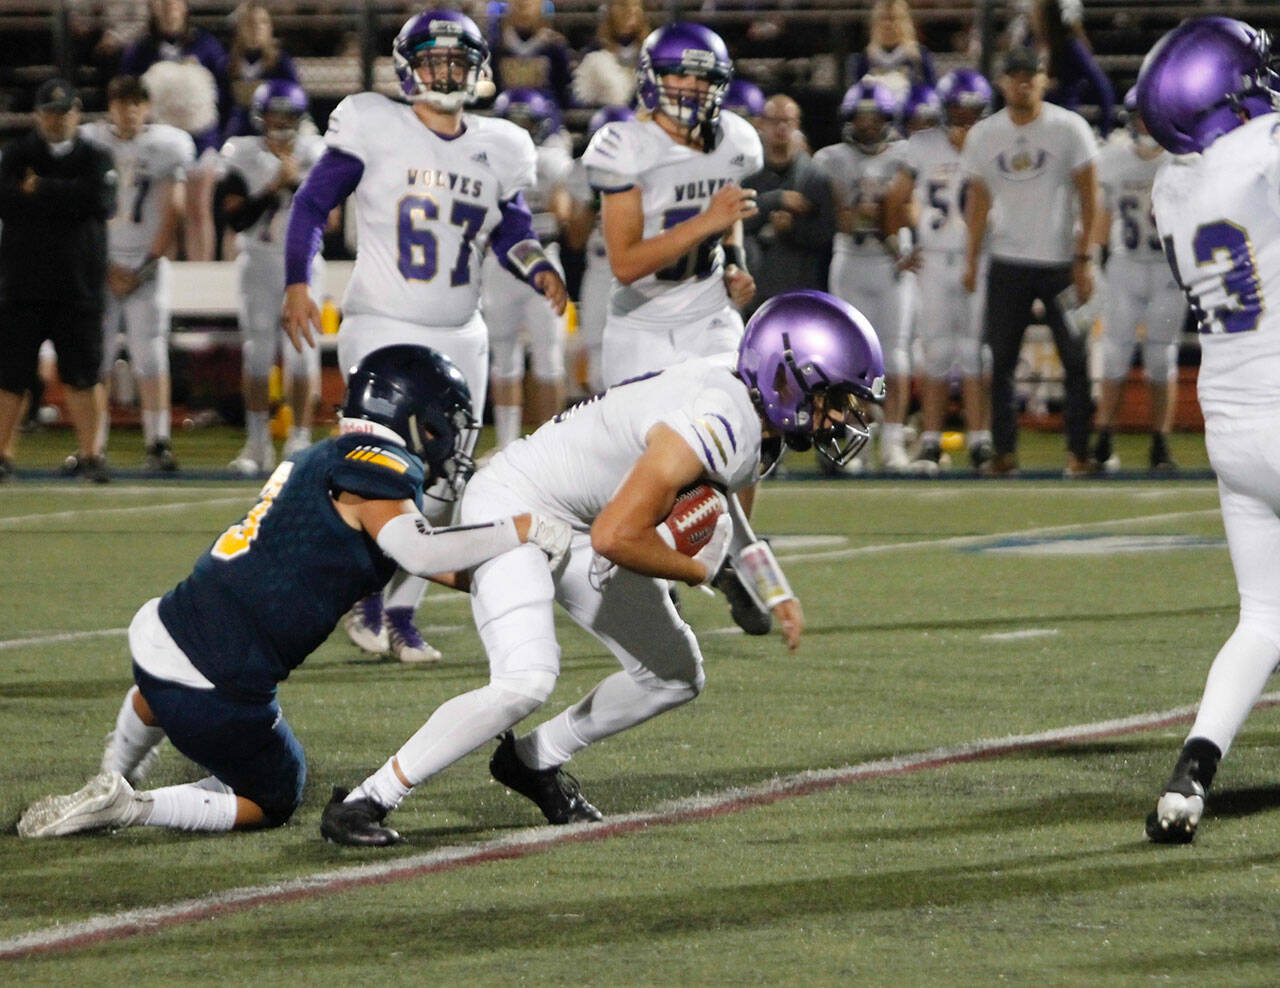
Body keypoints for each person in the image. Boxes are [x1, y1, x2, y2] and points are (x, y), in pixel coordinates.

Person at [320, 290, 883, 846]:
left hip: (587, 519)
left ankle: (532, 761)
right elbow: (619, 537)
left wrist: (771, 587)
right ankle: (366, 799)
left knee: (673, 675)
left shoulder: (746, 404)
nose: (840, 415)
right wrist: (699, 571)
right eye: (834, 396)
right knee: (525, 679)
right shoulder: (718, 418)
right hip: (520, 505)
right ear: (788, 375)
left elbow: (715, 497)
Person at [16, 345, 573, 839]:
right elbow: (421, 551)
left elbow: (431, 562)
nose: (450, 440)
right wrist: (521, 529)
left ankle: (114, 767)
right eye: (444, 424)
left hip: (163, 633)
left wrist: (512, 573)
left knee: (167, 691)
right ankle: (131, 806)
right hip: (218, 678)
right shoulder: (382, 466)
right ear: (412, 417)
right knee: (278, 792)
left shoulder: (324, 456)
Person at [282, 9, 568, 665]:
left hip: (462, 331)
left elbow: (511, 230)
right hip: (383, 321)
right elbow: (309, 205)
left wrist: (541, 266)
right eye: (433, 60)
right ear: (409, 68)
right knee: (382, 477)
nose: (445, 71)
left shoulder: (500, 144)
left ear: (478, 69)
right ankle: (357, 597)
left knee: (444, 490)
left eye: (456, 60)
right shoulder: (373, 124)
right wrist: (300, 281)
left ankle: (402, 609)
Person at [1134, 18, 1280, 844]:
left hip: (1231, 424)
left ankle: (1190, 776)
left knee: (1264, 617)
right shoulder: (1265, 151)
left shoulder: (1171, 187)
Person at [580, 22, 766, 634]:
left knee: (738, 446)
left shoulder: (736, 139)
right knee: (654, 467)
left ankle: (737, 559)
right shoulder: (624, 145)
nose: (689, 87)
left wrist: (734, 262)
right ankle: (663, 571)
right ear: (652, 80)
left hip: (709, 313)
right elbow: (628, 262)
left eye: (701, 76)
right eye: (678, 74)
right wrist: (708, 220)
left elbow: (730, 217)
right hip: (642, 324)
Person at [961, 47, 1098, 477]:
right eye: (1015, 76)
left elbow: (1091, 197)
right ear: (1002, 82)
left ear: (1044, 79)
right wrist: (970, 258)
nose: (1023, 83)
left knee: (1076, 359)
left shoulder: (1068, 128)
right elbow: (979, 200)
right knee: (999, 361)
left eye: (1031, 75)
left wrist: (1084, 257)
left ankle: (1078, 452)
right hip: (1007, 261)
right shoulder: (985, 134)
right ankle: (1004, 452)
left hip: (1061, 263)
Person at [0, 79, 117, 485]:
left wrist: (42, 190)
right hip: (22, 283)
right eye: (49, 112)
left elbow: (100, 202)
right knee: (10, 375)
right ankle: (2, 453)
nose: (56, 119)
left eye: (63, 111)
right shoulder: (16, 154)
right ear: (37, 115)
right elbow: (7, 201)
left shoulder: (95, 156)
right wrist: (66, 198)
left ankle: (91, 454)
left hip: (78, 285)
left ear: (77, 111)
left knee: (83, 375)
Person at [80, 74, 193, 474]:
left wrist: (144, 265)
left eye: (134, 103)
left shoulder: (167, 145)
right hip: (101, 263)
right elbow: (82, 208)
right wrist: (105, 265)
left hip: (146, 265)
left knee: (149, 354)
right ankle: (93, 447)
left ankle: (158, 442)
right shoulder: (90, 142)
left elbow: (174, 209)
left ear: (146, 107)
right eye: (120, 102)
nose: (127, 111)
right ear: (109, 106)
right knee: (98, 358)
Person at [885, 68, 994, 474]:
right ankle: (931, 439)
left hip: (977, 255)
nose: (965, 119)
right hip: (934, 255)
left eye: (971, 111)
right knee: (936, 353)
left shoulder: (991, 144)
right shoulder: (922, 146)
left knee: (974, 352)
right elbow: (898, 197)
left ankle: (980, 439)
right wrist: (901, 242)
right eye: (958, 110)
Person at [219, 79, 325, 476]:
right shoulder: (241, 154)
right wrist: (274, 185)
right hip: (258, 259)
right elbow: (236, 218)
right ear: (262, 117)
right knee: (258, 352)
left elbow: (329, 219)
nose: (281, 124)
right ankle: (258, 442)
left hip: (305, 262)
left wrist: (296, 182)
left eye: (288, 116)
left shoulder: (317, 154)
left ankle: (299, 438)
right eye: (275, 115)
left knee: (302, 353)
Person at [815, 78, 910, 473]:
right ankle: (853, 439)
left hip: (892, 262)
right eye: (861, 117)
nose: (868, 124)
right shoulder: (831, 158)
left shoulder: (907, 155)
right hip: (851, 258)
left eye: (875, 117)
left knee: (896, 354)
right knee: (848, 356)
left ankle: (893, 442)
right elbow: (834, 216)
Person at [1090, 86, 1184, 474]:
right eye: (1140, 116)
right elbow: (1102, 218)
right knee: (1114, 354)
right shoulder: (1113, 159)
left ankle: (1160, 443)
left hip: (1167, 267)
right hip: (1126, 264)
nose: (1145, 124)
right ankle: (1104, 437)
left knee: (1161, 357)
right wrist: (1092, 260)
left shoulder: (1183, 159)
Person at [480, 87, 574, 451]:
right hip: (501, 262)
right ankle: (507, 445)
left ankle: (549, 447)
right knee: (503, 357)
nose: (520, 129)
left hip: (543, 257)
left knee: (548, 357)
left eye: (526, 123)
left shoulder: (552, 160)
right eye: (514, 122)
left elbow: (563, 214)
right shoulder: (488, 159)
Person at [121, 0, 231, 261]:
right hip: (159, 145)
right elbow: (128, 92)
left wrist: (219, 138)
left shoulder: (207, 46)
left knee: (199, 210)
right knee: (164, 213)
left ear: (184, 8)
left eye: (174, 4)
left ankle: (201, 274)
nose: (169, 9)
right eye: (163, 4)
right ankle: (163, 272)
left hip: (201, 141)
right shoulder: (140, 50)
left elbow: (225, 93)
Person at [741, 95, 836, 316]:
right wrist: (774, 199)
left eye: (788, 121)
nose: (781, 127)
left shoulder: (815, 176)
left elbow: (827, 234)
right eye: (774, 121)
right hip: (754, 294)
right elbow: (733, 222)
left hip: (801, 291)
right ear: (760, 124)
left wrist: (793, 231)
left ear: (797, 125)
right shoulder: (746, 174)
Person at [562, 105, 634, 398]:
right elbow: (576, 238)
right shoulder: (584, 172)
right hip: (601, 268)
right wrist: (596, 195)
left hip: (640, 271)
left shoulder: (652, 169)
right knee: (596, 362)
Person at [1027, 0, 1115, 138]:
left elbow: (1103, 88)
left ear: (1047, 16)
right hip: (1032, 127)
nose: (1031, 16)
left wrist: (1104, 131)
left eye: (1036, 12)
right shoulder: (1030, 45)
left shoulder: (1071, 46)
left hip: (1062, 127)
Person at [223, 1, 301, 141]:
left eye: (263, 23)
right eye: (250, 23)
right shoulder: (227, 63)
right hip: (238, 135)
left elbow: (295, 100)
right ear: (240, 28)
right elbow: (222, 106)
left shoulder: (281, 62)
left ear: (270, 29)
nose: (256, 28)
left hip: (274, 134)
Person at [490, 0, 575, 110]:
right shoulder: (498, 47)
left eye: (530, 3)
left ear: (540, 5)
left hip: (546, 114)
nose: (523, 5)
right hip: (507, 113)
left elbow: (563, 92)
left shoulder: (554, 47)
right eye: (518, 4)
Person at [847, 0, 936, 103]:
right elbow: (856, 95)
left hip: (908, 111)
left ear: (904, 22)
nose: (887, 25)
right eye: (883, 19)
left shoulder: (917, 55)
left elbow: (931, 92)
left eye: (893, 18)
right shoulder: (866, 57)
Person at [571, 0, 647, 108]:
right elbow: (580, 102)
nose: (630, 11)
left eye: (635, 6)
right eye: (623, 5)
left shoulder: (651, 52)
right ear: (609, 11)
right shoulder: (595, 56)